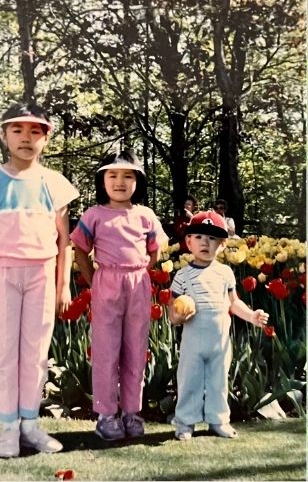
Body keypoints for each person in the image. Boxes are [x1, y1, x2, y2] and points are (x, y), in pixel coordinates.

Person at [0, 102, 79, 458]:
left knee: (35, 352)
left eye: (35, 131)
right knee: (3, 350)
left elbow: (65, 242)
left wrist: (63, 285)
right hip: (1, 274)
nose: (26, 138)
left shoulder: (56, 184)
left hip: (41, 274)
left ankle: (30, 423)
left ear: (45, 138)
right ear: (4, 135)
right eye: (17, 130)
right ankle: (8, 427)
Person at [70, 149, 167, 441]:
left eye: (128, 175)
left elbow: (155, 252)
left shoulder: (145, 216)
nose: (120, 182)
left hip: (137, 282)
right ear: (103, 180)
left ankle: (131, 412)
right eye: (112, 175)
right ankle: (106, 415)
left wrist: (138, 273)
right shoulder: (94, 214)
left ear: (138, 181)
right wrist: (96, 279)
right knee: (106, 349)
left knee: (136, 348)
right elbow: (80, 251)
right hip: (106, 281)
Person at [168, 210, 268, 440]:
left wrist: (252, 315)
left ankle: (218, 420)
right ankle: (185, 423)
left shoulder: (225, 273)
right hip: (193, 340)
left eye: (212, 238)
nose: (205, 242)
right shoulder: (182, 276)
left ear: (222, 245)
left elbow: (234, 303)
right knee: (189, 380)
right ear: (188, 242)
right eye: (199, 237)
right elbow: (173, 311)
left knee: (219, 381)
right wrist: (177, 317)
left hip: (220, 340)